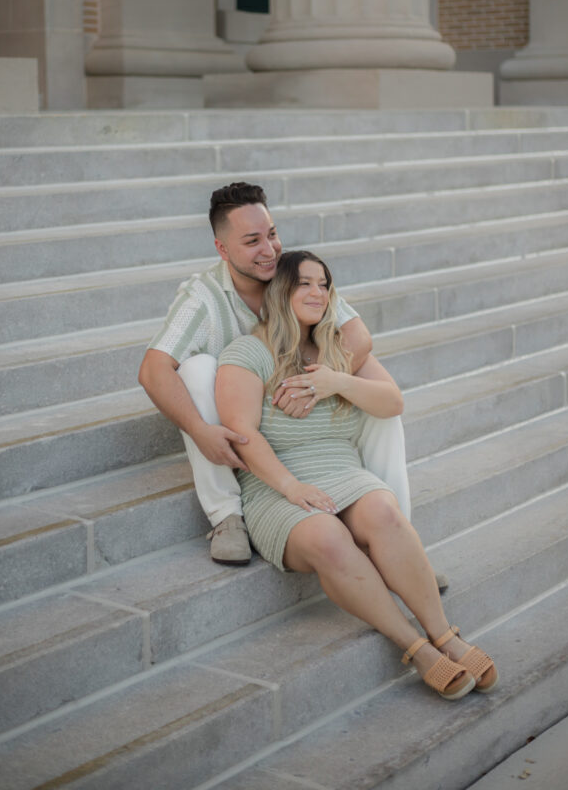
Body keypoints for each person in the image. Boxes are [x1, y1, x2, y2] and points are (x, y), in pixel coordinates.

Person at [215, 250, 497, 700]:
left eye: (324, 284)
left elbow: (392, 402)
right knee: (328, 539)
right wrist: (292, 487)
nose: (317, 292)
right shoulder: (247, 353)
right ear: (280, 290)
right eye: (304, 283)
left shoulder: (336, 351)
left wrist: (337, 380)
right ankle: (417, 649)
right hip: (277, 484)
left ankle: (446, 635)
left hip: (341, 469)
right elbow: (242, 435)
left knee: (383, 512)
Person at [138, 182, 432, 577]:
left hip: (300, 415)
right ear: (223, 250)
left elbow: (358, 336)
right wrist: (200, 430)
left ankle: (398, 539)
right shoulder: (203, 297)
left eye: (272, 234)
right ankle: (227, 515)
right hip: (240, 416)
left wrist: (318, 383)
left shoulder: (294, 273)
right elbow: (153, 369)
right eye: (252, 241)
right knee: (196, 369)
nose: (269, 249)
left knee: (380, 406)